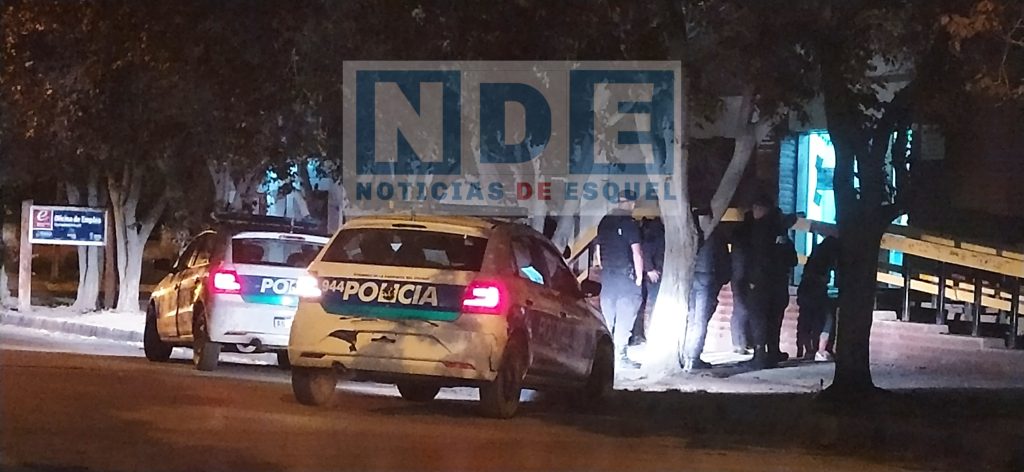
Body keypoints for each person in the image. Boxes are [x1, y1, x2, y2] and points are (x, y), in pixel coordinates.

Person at [737, 193, 797, 369]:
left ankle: (760, 356)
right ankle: (772, 353)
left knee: (759, 319)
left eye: (756, 208)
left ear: (763, 209)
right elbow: (792, 259)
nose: (754, 211)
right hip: (779, 283)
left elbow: (756, 257)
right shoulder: (780, 230)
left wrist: (752, 280)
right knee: (773, 320)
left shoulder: (758, 230)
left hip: (761, 284)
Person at [595, 190, 645, 369]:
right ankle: (620, 357)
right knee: (625, 317)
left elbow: (598, 250)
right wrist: (639, 277)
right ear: (631, 203)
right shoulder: (629, 223)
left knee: (607, 319)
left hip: (608, 277)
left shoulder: (605, 221)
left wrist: (604, 268)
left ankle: (605, 359)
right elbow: (637, 252)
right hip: (626, 278)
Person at [681, 209, 731, 372]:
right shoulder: (715, 235)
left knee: (691, 318)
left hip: (692, 277)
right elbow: (723, 260)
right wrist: (722, 279)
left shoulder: (691, 233)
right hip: (707, 277)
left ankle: (686, 355)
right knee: (700, 320)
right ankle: (693, 357)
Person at [797, 236, 840, 360]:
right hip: (816, 291)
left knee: (806, 321)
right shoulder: (826, 259)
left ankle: (807, 350)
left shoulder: (816, 255)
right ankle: (819, 350)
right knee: (824, 320)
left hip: (806, 290)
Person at [632, 217, 665, 346]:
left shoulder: (650, 231)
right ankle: (650, 335)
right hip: (654, 276)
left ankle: (640, 334)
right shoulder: (657, 232)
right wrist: (650, 269)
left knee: (644, 305)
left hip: (649, 275)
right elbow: (646, 251)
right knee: (653, 306)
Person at [727, 221, 753, 354]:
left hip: (738, 278)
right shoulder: (744, 247)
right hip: (742, 279)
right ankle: (741, 344)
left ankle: (739, 343)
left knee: (739, 309)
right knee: (742, 309)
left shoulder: (737, 246)